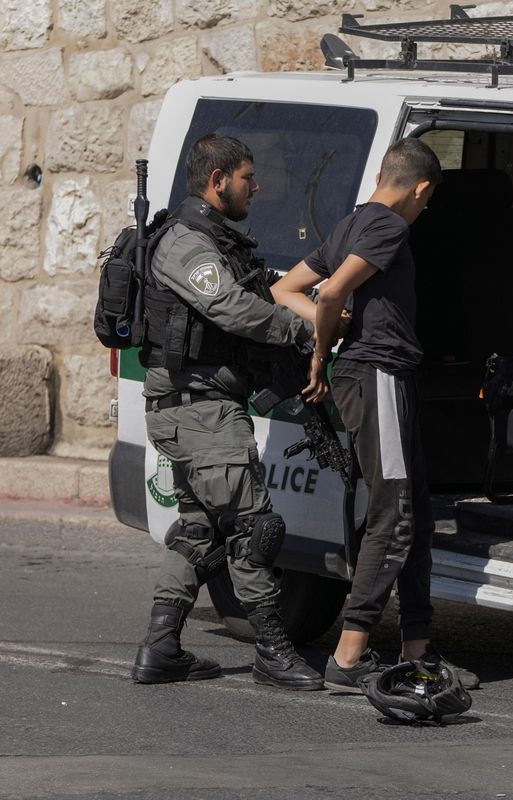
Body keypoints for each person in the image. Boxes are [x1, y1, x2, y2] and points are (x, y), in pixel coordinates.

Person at [272, 138, 479, 691]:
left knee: (416, 514)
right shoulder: (390, 226)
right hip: (377, 374)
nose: (425, 209)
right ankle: (349, 654)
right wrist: (323, 349)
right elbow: (331, 291)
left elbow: (285, 288)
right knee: (395, 517)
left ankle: (417, 648)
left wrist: (332, 325)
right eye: (428, 200)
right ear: (421, 189)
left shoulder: (348, 225)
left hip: (383, 376)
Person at [131, 134, 324, 691]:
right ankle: (272, 651)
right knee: (253, 527)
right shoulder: (186, 244)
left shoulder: (214, 238)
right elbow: (229, 307)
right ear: (217, 182)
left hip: (198, 408)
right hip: (200, 411)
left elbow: (247, 288)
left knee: (198, 532)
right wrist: (300, 327)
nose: (256, 187)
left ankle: (161, 649)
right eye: (247, 178)